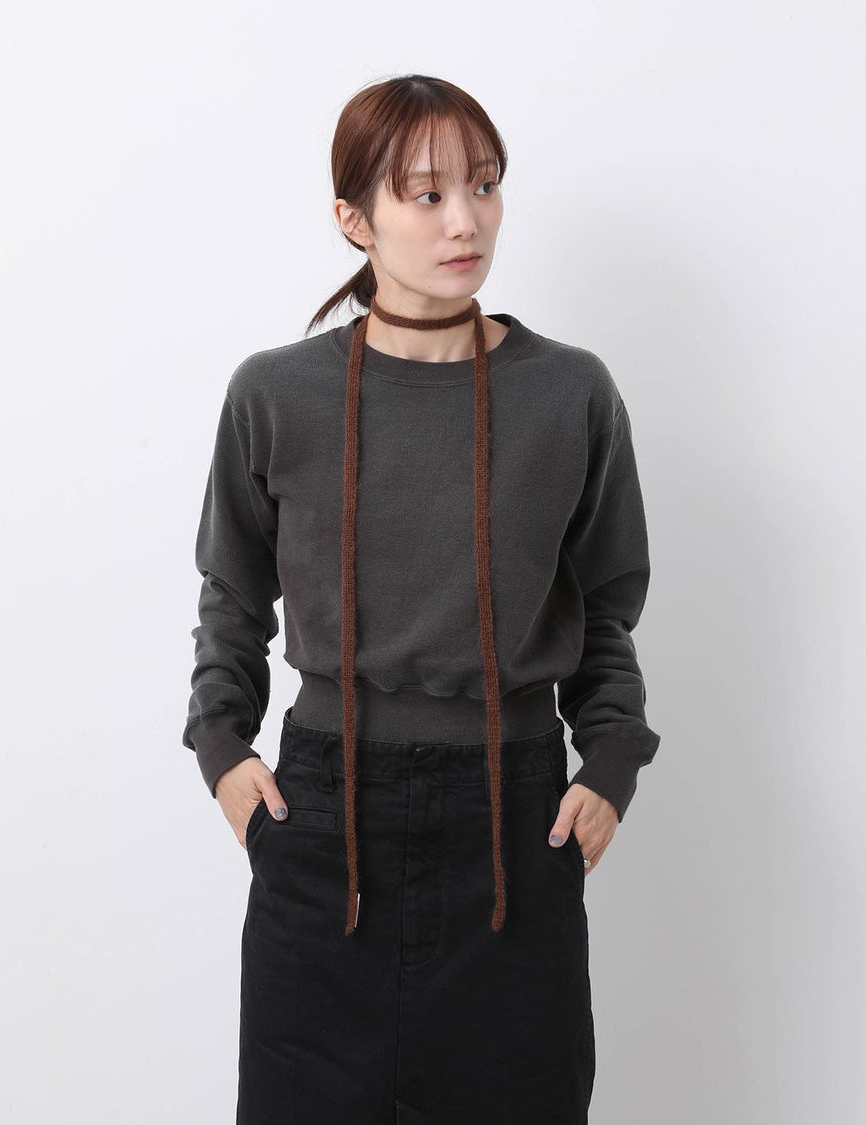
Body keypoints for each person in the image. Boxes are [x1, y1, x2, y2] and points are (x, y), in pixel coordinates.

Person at [182, 73, 661, 1125]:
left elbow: (604, 603)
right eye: (429, 194)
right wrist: (222, 747)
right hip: (323, 821)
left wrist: (611, 760)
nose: (466, 222)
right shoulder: (275, 394)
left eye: (484, 186)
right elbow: (233, 591)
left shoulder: (571, 393)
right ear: (355, 218)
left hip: (515, 821)